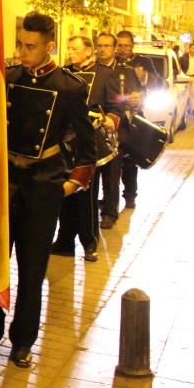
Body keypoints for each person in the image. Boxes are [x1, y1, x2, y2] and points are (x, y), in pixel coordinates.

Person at [0, 12, 96, 369]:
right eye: (20, 44)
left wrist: (72, 184)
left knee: (31, 271)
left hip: (42, 188)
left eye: (31, 46)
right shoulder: (6, 80)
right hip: (3, 184)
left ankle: (23, 340)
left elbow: (88, 147)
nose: (23, 52)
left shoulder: (69, 87)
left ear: (49, 46)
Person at [53, 35, 121, 262]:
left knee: (87, 195)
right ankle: (64, 241)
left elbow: (116, 105)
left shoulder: (105, 74)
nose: (70, 52)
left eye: (75, 49)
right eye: (69, 48)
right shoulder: (63, 73)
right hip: (64, 144)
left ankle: (89, 242)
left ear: (88, 51)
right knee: (65, 194)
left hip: (89, 143)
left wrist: (111, 119)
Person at [95, 32, 143, 228]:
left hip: (118, 127)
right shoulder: (93, 70)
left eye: (107, 45)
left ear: (114, 48)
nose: (103, 49)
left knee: (112, 173)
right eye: (100, 45)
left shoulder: (126, 72)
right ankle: (99, 205)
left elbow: (135, 97)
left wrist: (135, 100)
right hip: (96, 127)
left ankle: (110, 212)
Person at [114, 31, 156, 210]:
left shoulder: (143, 63)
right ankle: (110, 199)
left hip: (133, 118)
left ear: (132, 46)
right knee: (112, 161)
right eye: (120, 45)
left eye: (126, 45)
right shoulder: (112, 64)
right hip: (115, 116)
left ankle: (130, 195)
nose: (123, 49)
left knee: (130, 161)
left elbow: (159, 83)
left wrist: (145, 80)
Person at [179, 43, 194, 116]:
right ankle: (185, 108)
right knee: (185, 93)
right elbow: (180, 67)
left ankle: (193, 109)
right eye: (192, 48)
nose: (193, 50)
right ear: (189, 49)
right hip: (186, 77)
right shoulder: (183, 57)